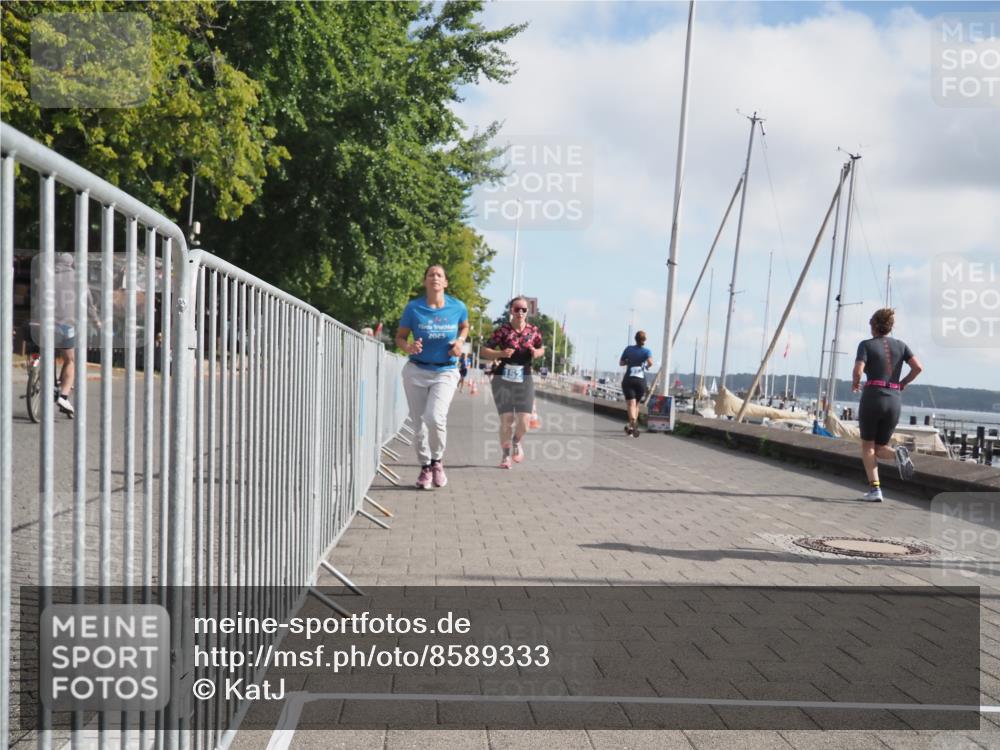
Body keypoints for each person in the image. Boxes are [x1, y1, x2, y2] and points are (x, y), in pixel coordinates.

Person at [395, 264, 469, 489]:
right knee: (419, 424)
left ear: (445, 282)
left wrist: (459, 342)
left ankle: (437, 460)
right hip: (416, 370)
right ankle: (425, 468)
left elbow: (464, 327)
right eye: (431, 275)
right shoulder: (414, 308)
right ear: (425, 281)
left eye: (439, 275)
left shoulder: (458, 307)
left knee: (435, 417)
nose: (435, 278)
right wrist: (408, 347)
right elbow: (400, 338)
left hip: (445, 370)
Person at [851, 308, 922, 502]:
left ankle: (875, 490)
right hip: (894, 398)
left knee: (868, 446)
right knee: (881, 447)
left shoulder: (866, 345)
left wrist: (855, 383)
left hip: (873, 396)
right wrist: (903, 383)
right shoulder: (902, 345)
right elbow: (918, 367)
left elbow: (858, 370)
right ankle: (898, 453)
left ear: (874, 325)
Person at [481, 296, 544, 469]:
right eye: (517, 309)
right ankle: (505, 456)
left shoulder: (534, 331)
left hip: (524, 377)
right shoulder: (502, 331)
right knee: (506, 420)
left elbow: (541, 349)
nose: (521, 313)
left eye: (524, 310)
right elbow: (484, 350)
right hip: (503, 378)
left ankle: (516, 441)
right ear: (511, 311)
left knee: (525, 420)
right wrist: (499, 354)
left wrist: (535, 352)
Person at [31, 252, 98, 417]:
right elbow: (89, 304)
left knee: (47, 352)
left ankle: (40, 374)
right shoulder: (78, 280)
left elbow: (37, 301)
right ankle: (64, 397)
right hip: (65, 326)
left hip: (44, 325)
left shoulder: (47, 278)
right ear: (71, 264)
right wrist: (96, 321)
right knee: (70, 360)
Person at [619, 331, 653, 437]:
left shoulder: (628, 349)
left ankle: (633, 421)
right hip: (640, 381)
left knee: (630, 404)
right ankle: (631, 427)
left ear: (635, 339)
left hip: (629, 379)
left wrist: (628, 362)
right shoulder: (647, 351)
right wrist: (645, 366)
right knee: (637, 404)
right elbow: (651, 362)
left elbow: (621, 363)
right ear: (644, 340)